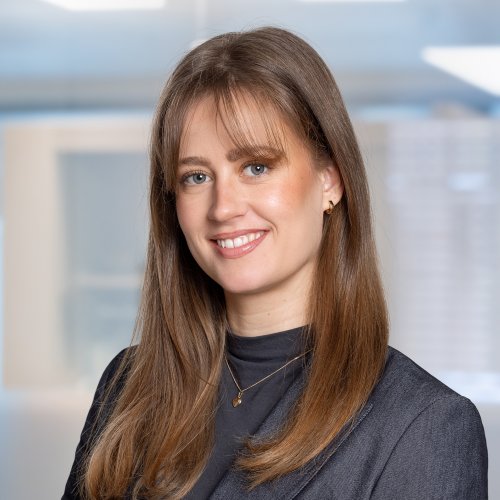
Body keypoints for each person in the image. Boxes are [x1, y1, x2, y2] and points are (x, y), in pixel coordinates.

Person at [62, 27, 488, 499]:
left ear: (329, 180)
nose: (223, 207)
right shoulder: (127, 386)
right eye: (196, 176)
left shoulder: (424, 426)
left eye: (256, 167)